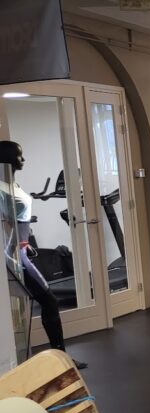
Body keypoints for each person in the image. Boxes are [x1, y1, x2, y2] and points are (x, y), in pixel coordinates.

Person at [0, 140, 87, 370]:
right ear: (8, 159)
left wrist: (24, 242)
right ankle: (57, 361)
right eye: (20, 156)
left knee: (48, 303)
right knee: (48, 302)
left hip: (21, 256)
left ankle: (61, 359)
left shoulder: (12, 187)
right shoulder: (1, 190)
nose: (23, 160)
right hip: (11, 262)